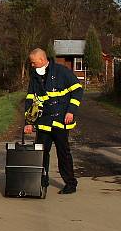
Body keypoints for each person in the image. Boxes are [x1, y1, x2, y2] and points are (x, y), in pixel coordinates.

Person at [23, 48, 84, 194]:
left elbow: (77, 90)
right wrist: (29, 122)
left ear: (42, 60)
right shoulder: (35, 76)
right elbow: (31, 99)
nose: (31, 65)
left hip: (60, 121)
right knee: (41, 153)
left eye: (33, 62)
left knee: (63, 153)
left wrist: (71, 111)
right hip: (43, 122)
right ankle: (41, 181)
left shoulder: (61, 71)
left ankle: (70, 184)